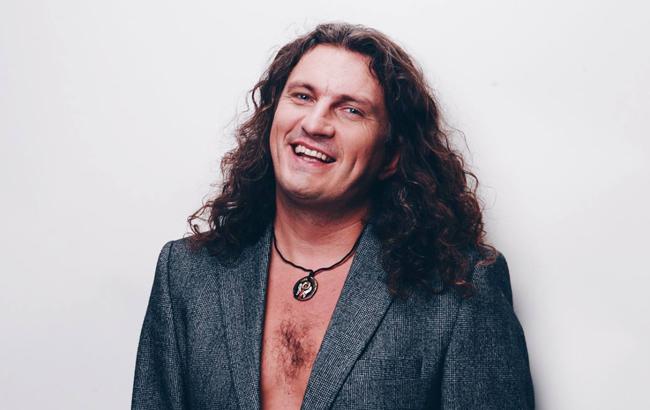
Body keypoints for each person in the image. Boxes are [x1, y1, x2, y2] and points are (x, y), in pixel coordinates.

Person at [132, 22, 534, 410]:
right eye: (302, 96)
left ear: (392, 156)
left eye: (351, 110)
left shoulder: (459, 286)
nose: (314, 124)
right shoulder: (186, 273)